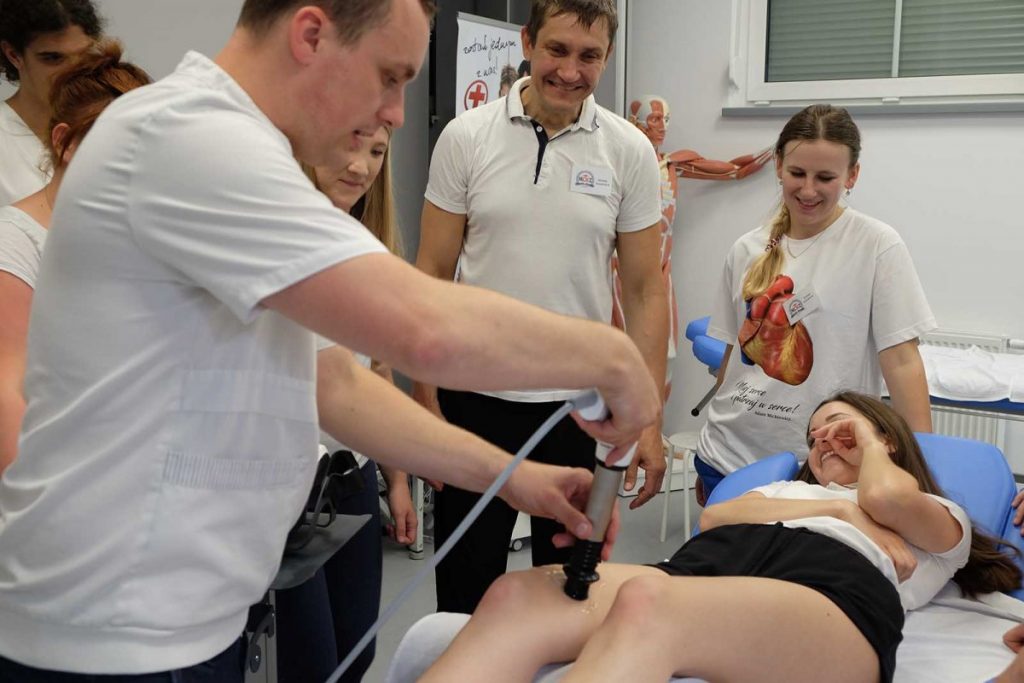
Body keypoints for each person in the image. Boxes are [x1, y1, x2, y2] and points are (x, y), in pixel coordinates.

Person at [0, 0, 661, 680]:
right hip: (111, 630)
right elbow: (422, 328)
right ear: (311, 35)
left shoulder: (243, 155)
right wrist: (613, 357)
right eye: (389, 76)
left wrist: (517, 480)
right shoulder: (185, 138)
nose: (395, 112)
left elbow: (336, 383)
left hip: (182, 619)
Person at [419, 391, 1022, 683]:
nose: (822, 440)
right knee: (516, 594)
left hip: (831, 596)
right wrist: (840, 512)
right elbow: (714, 520)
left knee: (649, 606)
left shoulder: (938, 516)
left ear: (885, 438)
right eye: (814, 437)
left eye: (840, 427)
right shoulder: (790, 491)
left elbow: (886, 498)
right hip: (703, 569)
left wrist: (867, 450)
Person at [414, 0, 668, 615]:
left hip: (579, 411)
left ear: (607, 57)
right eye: (557, 49)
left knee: (564, 594)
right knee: (465, 596)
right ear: (527, 42)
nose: (570, 71)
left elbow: (644, 291)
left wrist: (649, 420)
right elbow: (432, 273)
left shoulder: (629, 151)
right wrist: (424, 399)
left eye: (589, 56)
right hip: (474, 399)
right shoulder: (465, 137)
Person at [693, 103, 935, 504]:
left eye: (825, 177)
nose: (808, 190)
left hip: (822, 465)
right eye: (797, 173)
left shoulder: (876, 246)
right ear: (778, 165)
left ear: (852, 175)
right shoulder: (746, 248)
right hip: (727, 455)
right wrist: (711, 451)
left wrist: (921, 470)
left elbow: (902, 362)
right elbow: (732, 357)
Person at [274, 126, 416, 683]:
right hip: (290, 489)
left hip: (352, 475)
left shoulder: (367, 247)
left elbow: (377, 371)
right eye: (349, 146)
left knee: (358, 651)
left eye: (377, 152)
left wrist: (396, 480)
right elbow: (337, 387)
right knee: (311, 662)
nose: (361, 166)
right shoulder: (278, 243)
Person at [0, 40, 150, 473]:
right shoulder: (14, 241)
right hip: (51, 482)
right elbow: (7, 394)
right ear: (65, 142)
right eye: (119, 149)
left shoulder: (136, 242)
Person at [613, 94, 772, 397]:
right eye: (655, 118)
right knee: (621, 352)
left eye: (666, 119)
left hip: (659, 271)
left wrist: (777, 151)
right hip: (620, 271)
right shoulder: (618, 162)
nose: (662, 126)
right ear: (635, 121)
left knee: (665, 353)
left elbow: (733, 169)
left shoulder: (671, 165)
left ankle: (654, 422)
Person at [0, 0, 102, 204]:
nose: (73, 71)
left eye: (85, 55)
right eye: (53, 58)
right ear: (14, 55)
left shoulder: (110, 125)